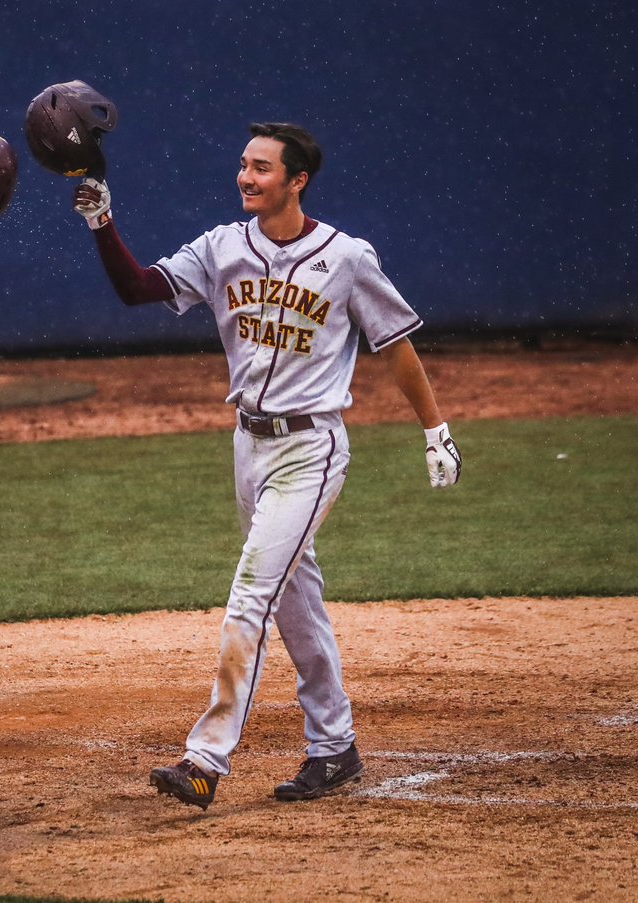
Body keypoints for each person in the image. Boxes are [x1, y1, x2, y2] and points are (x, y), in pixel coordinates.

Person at [69, 121, 462, 808]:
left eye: (261, 168)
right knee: (293, 598)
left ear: (297, 178)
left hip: (312, 448)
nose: (246, 177)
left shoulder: (345, 258)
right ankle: (335, 745)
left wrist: (435, 429)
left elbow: (395, 346)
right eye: (243, 165)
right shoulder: (223, 247)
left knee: (252, 592)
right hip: (247, 446)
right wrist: (103, 220)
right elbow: (138, 287)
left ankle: (204, 757)